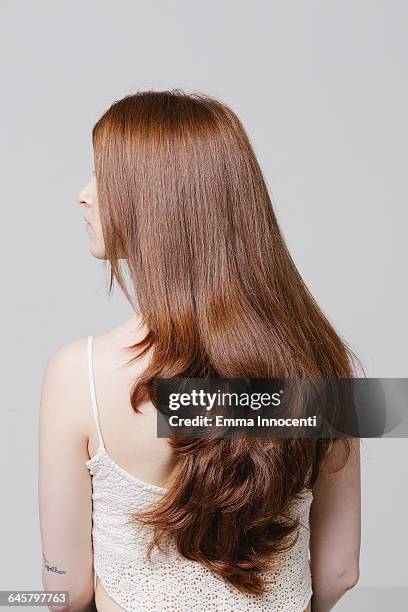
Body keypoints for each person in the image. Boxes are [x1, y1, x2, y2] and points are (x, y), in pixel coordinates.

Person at [38, 90, 361, 612]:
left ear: (155, 200)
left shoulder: (80, 376)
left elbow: (64, 591)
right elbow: (341, 570)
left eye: (102, 175)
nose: (82, 194)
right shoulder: (322, 365)